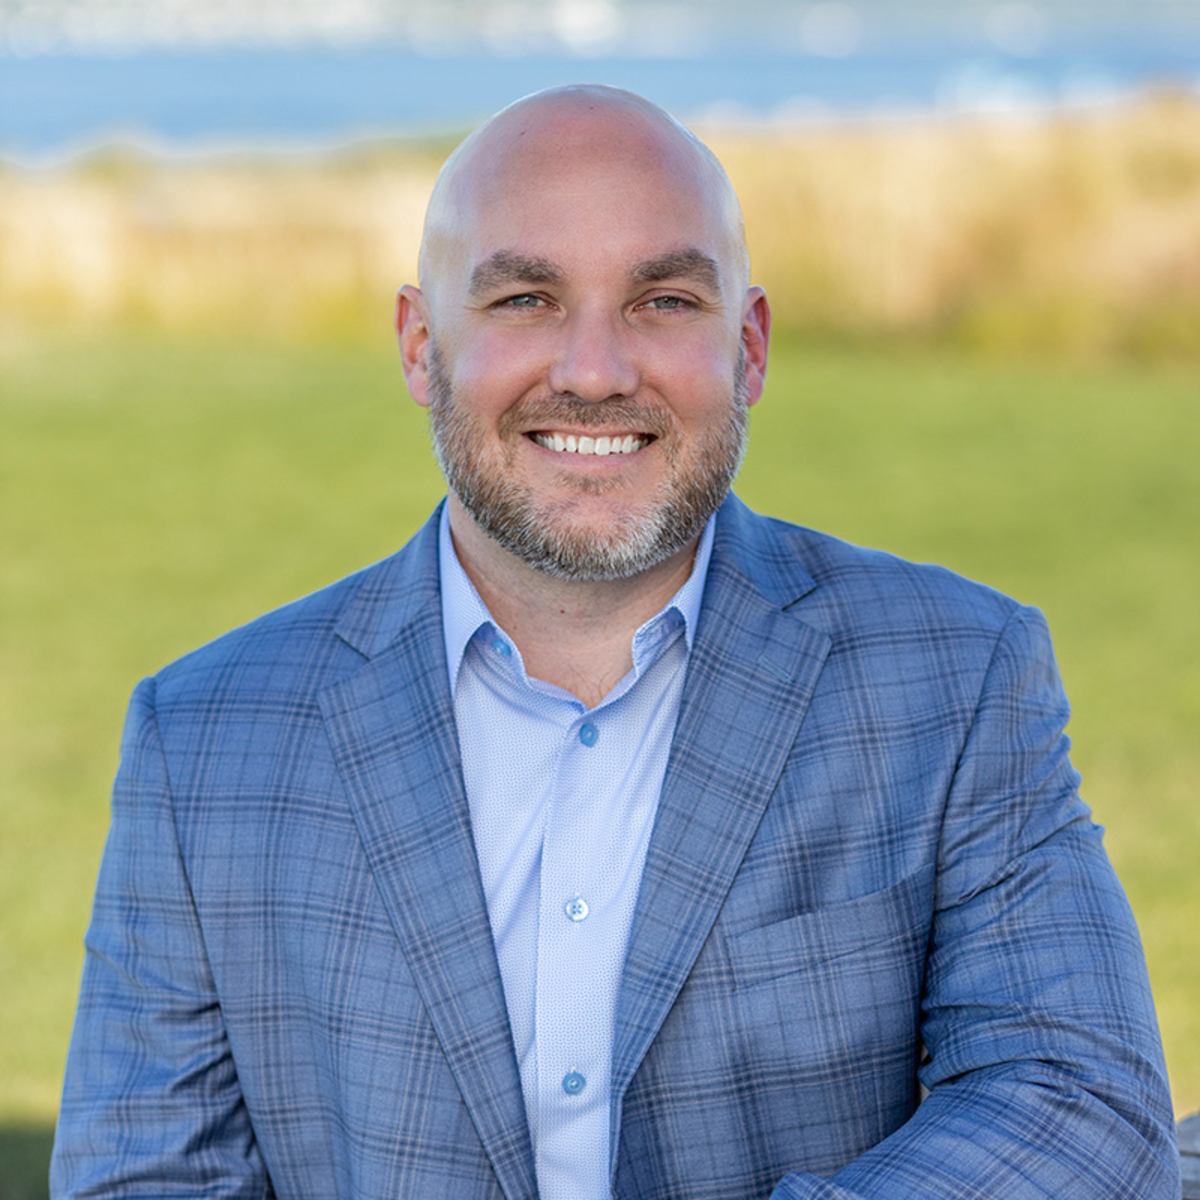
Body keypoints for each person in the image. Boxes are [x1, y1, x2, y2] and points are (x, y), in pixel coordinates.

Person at [52, 84, 1178, 1200]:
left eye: (664, 300)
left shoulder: (956, 676)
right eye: (525, 299)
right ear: (421, 344)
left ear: (749, 346)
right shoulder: (204, 742)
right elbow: (144, 1177)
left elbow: (1078, 1102)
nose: (594, 372)